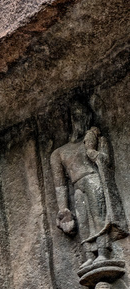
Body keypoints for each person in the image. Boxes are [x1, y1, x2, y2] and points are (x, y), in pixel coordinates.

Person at [50, 100, 128, 266]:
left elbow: (106, 161)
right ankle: (89, 256)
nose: (81, 120)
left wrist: (91, 151)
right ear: (71, 120)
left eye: (84, 115)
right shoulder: (59, 153)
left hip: (93, 179)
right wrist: (63, 209)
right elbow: (60, 185)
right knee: (83, 220)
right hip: (77, 186)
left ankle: (103, 252)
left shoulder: (98, 140)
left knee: (99, 217)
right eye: (77, 116)